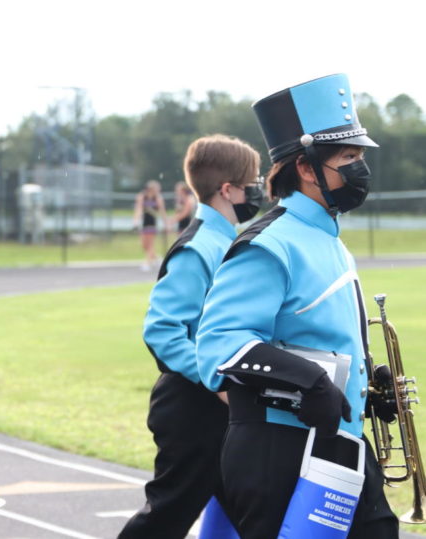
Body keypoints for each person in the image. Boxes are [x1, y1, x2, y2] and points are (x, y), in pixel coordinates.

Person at [196, 74, 398, 537]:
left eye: (360, 157)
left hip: (337, 442)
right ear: (307, 168)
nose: (359, 169)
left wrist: (368, 379)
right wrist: (308, 381)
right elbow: (218, 345)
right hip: (279, 450)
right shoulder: (270, 243)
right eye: (348, 157)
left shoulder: (327, 238)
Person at [119, 134, 263, 539]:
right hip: (192, 408)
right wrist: (215, 379)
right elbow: (163, 331)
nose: (257, 189)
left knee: (256, 514)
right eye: (252, 182)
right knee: (166, 518)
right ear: (228, 189)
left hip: (224, 409)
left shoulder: (227, 240)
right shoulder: (199, 247)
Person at [133, 179, 165, 271]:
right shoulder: (142, 196)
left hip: (152, 223)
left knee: (150, 244)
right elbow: (138, 209)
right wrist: (135, 221)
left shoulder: (158, 198)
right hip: (144, 223)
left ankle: (147, 263)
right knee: (144, 245)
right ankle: (157, 258)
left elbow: (162, 211)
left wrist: (166, 223)